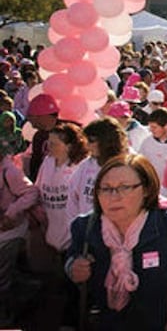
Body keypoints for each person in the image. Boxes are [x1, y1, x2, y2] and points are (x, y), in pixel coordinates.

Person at [66, 154, 167, 330]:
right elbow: (71, 265)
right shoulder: (85, 227)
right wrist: (73, 268)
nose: (114, 196)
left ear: (146, 190)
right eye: (106, 189)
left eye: (124, 188)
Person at [36, 122, 89, 253]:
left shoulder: (80, 166)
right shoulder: (48, 162)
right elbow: (38, 187)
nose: (49, 146)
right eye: (48, 142)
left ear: (69, 146)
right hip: (51, 228)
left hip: (72, 233)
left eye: (54, 144)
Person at [0, 148, 37, 326]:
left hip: (10, 234)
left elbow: (31, 193)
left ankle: (7, 320)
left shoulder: (9, 171)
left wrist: (11, 213)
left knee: (3, 281)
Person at [67, 118, 129, 222]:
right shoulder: (86, 165)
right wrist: (76, 225)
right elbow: (72, 196)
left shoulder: (128, 165)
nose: (87, 145)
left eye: (91, 141)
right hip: (88, 230)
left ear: (106, 141)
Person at [26, 93, 62, 180]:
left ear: (42, 116)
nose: (32, 125)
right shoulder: (38, 136)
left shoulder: (70, 132)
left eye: (32, 119)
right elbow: (35, 163)